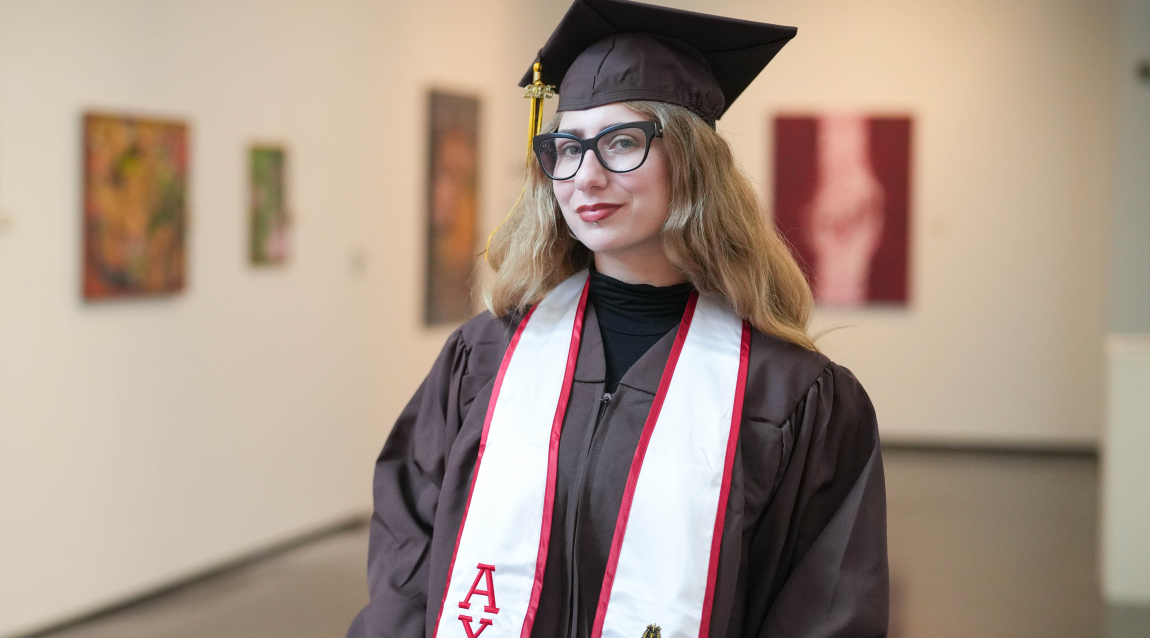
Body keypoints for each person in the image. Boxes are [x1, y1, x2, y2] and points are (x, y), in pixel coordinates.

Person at [348, 1, 888, 637]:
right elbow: (406, 558)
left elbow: (824, 611)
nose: (586, 176)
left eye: (622, 142)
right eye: (567, 148)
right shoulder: (484, 358)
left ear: (693, 162)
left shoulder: (792, 396)